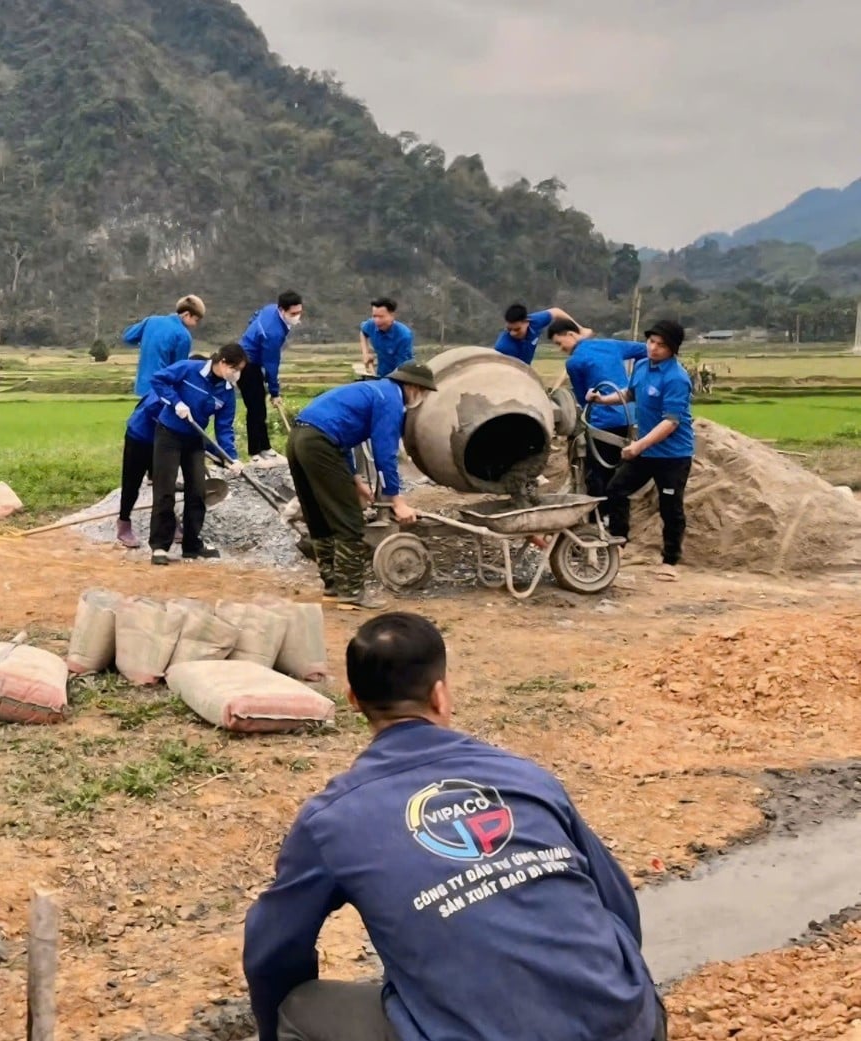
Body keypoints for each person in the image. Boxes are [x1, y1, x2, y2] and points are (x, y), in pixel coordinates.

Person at [243, 612, 666, 1041]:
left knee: (298, 1008)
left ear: (353, 699)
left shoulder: (332, 819)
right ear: (441, 696)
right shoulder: (524, 774)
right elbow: (618, 905)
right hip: (635, 1026)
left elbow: (272, 949)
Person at [287, 362, 436, 610]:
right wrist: (396, 500)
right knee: (349, 519)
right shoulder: (391, 399)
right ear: (412, 386)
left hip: (300, 439)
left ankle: (333, 588)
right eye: (424, 391)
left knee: (320, 517)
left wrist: (355, 479)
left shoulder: (374, 389)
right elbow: (384, 452)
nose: (422, 397)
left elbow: (341, 438)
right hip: (320, 444)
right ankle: (351, 592)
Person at [586, 319, 694, 582]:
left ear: (673, 350)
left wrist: (638, 446)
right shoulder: (642, 366)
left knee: (670, 506)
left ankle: (670, 560)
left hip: (672, 455)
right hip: (646, 451)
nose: (654, 348)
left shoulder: (676, 378)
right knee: (615, 489)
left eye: (661, 345)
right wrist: (601, 399)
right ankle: (620, 544)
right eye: (651, 342)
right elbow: (630, 394)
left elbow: (670, 422)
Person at [147, 344, 246, 564]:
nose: (237, 374)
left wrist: (231, 458)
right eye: (235, 369)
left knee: (197, 492)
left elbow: (224, 428)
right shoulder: (189, 369)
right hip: (169, 435)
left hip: (194, 440)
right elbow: (158, 380)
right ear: (223, 363)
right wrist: (176, 402)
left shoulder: (228, 392)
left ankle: (192, 545)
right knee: (165, 491)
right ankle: (160, 547)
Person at [548, 319, 647, 510]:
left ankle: (598, 520)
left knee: (598, 475)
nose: (561, 349)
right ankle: (620, 522)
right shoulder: (610, 345)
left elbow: (584, 398)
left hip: (603, 423)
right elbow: (645, 351)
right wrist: (638, 379)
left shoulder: (575, 362)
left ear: (571, 334)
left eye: (560, 343)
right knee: (622, 474)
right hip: (630, 417)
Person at [238, 290, 304, 462]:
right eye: (293, 313)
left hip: (254, 361)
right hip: (246, 365)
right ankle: (255, 453)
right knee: (256, 409)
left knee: (260, 408)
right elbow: (271, 364)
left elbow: (254, 317)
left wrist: (254, 334)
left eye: (299, 312)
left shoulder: (270, 309)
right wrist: (275, 392)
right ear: (282, 310)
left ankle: (265, 447)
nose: (297, 316)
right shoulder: (273, 333)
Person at [123, 295, 206, 396]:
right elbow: (179, 369)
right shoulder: (183, 335)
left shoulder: (151, 321)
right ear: (186, 314)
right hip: (162, 390)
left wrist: (146, 341)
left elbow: (128, 337)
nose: (195, 324)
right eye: (196, 320)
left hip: (142, 387)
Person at [116, 392, 166, 548]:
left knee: (165, 481)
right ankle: (123, 522)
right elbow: (150, 408)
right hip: (140, 436)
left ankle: (168, 522)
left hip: (166, 441)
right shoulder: (165, 390)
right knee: (132, 483)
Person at [494, 303, 582, 364]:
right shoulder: (503, 347)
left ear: (527, 322)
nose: (512, 333)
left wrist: (580, 329)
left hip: (527, 369)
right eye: (509, 329)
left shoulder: (535, 321)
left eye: (517, 329)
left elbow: (556, 312)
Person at [359, 297, 415, 377]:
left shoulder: (404, 336)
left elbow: (401, 369)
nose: (377, 321)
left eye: (381, 317)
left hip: (402, 376)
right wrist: (365, 353)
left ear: (392, 315)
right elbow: (363, 332)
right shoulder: (372, 325)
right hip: (381, 373)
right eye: (374, 316)